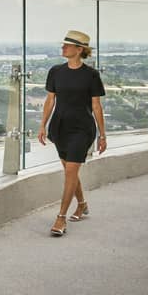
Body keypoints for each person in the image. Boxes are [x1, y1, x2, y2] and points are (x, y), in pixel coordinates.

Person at [37, 30, 106, 236]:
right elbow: (50, 100)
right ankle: (82, 204)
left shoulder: (91, 75)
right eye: (63, 44)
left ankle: (60, 218)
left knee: (70, 172)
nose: (63, 47)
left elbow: (96, 106)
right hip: (60, 128)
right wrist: (42, 125)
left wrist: (102, 135)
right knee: (70, 171)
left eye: (67, 45)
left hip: (82, 129)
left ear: (80, 50)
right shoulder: (55, 71)